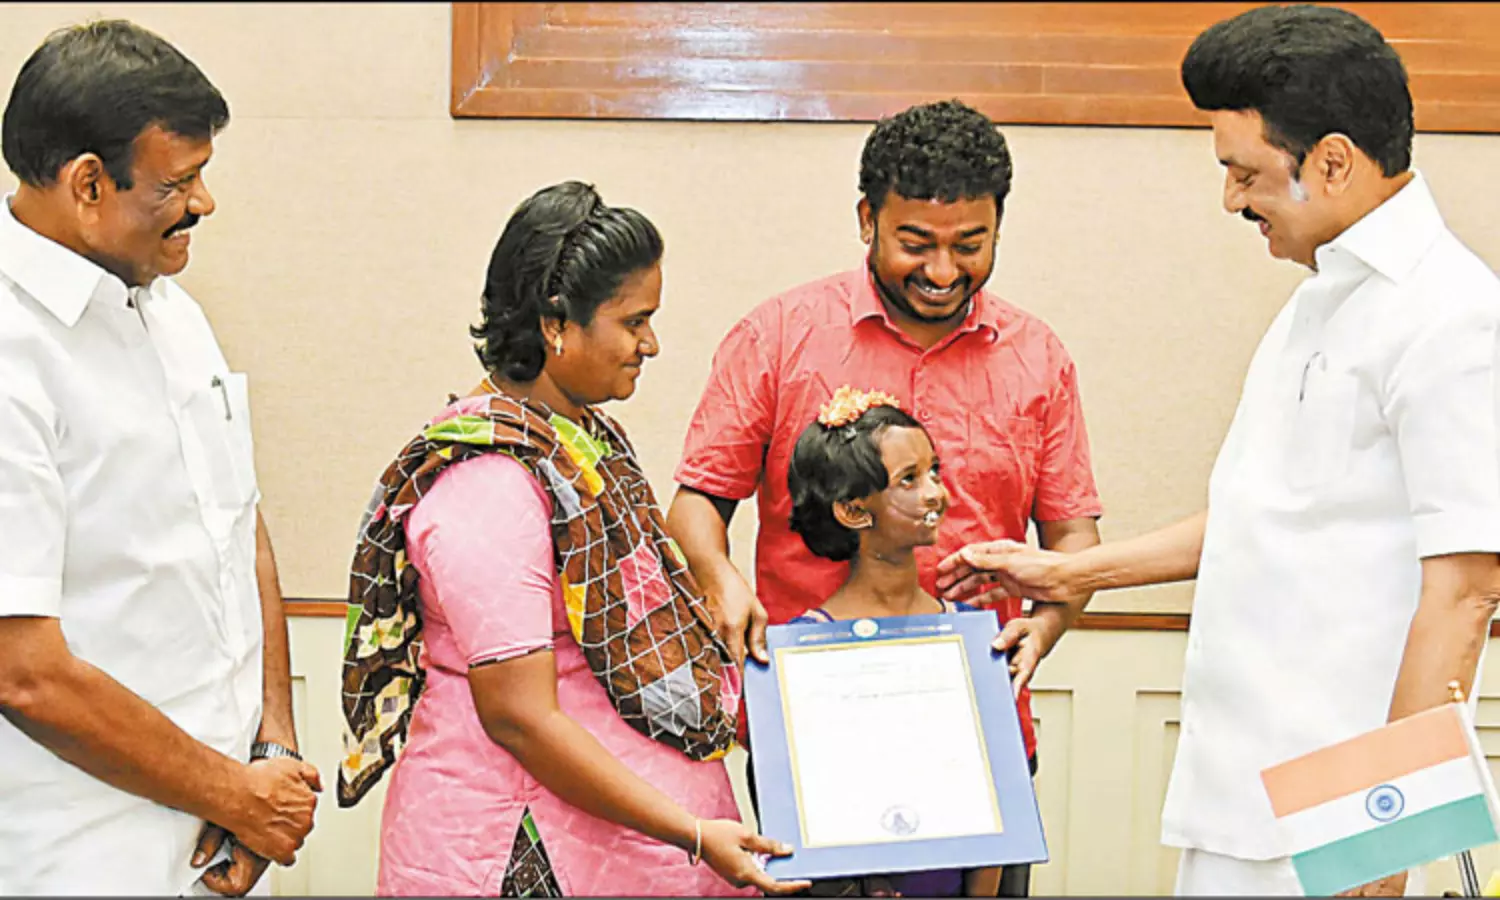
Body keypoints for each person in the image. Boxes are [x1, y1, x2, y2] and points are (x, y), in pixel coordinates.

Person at [937, 6, 1500, 896]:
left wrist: (1385, 844)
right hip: (1237, 790)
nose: (1231, 200)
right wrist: (1070, 572)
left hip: (1340, 813)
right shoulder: (1315, 303)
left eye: (1245, 173)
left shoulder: (1454, 317)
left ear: (1333, 161)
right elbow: (1261, 516)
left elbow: (1466, 590)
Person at [668, 98, 1103, 896]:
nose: (942, 272)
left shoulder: (1039, 357)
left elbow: (1074, 540)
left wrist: (1044, 628)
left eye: (969, 245)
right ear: (867, 219)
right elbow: (698, 501)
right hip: (812, 734)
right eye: (916, 243)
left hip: (981, 729)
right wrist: (721, 580)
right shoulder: (779, 336)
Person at [337, 180, 809, 897]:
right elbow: (519, 719)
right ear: (556, 324)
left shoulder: (585, 442)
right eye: (634, 321)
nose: (650, 344)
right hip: (521, 848)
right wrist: (690, 832)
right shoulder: (489, 483)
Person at [0, 19, 320, 897]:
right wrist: (236, 795)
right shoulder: (12, 352)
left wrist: (272, 748)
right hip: (81, 861)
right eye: (178, 182)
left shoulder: (173, 312)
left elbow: (238, 527)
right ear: (88, 184)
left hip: (223, 840)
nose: (204, 203)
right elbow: (23, 671)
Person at [763, 385, 1001, 898]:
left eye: (934, 471)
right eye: (908, 480)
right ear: (853, 511)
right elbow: (808, 800)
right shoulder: (806, 650)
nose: (935, 493)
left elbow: (994, 793)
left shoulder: (969, 636)